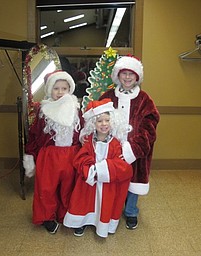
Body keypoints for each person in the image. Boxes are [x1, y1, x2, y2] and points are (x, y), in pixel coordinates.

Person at [99, 55, 160, 230]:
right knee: (113, 180)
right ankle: (112, 210)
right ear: (117, 75)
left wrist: (134, 148)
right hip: (111, 148)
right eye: (123, 73)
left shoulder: (144, 99)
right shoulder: (108, 96)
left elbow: (151, 124)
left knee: (134, 181)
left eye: (131, 74)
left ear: (137, 76)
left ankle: (131, 211)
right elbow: (98, 117)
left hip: (136, 149)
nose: (127, 77)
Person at [23, 70, 82, 234]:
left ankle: (66, 215)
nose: (60, 92)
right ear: (50, 90)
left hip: (71, 155)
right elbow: (35, 135)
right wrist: (30, 155)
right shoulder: (44, 111)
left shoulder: (76, 109)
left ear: (69, 89)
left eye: (64, 88)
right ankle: (47, 217)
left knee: (68, 188)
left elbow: (84, 132)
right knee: (46, 188)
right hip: (49, 156)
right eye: (56, 88)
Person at [63, 98, 133, 238]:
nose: (104, 124)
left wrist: (103, 169)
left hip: (108, 183)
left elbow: (122, 165)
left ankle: (101, 224)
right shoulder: (88, 140)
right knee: (84, 202)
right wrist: (91, 170)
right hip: (89, 180)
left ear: (111, 122)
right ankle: (80, 222)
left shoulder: (116, 143)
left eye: (107, 120)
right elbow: (80, 159)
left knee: (103, 204)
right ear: (93, 123)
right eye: (99, 121)